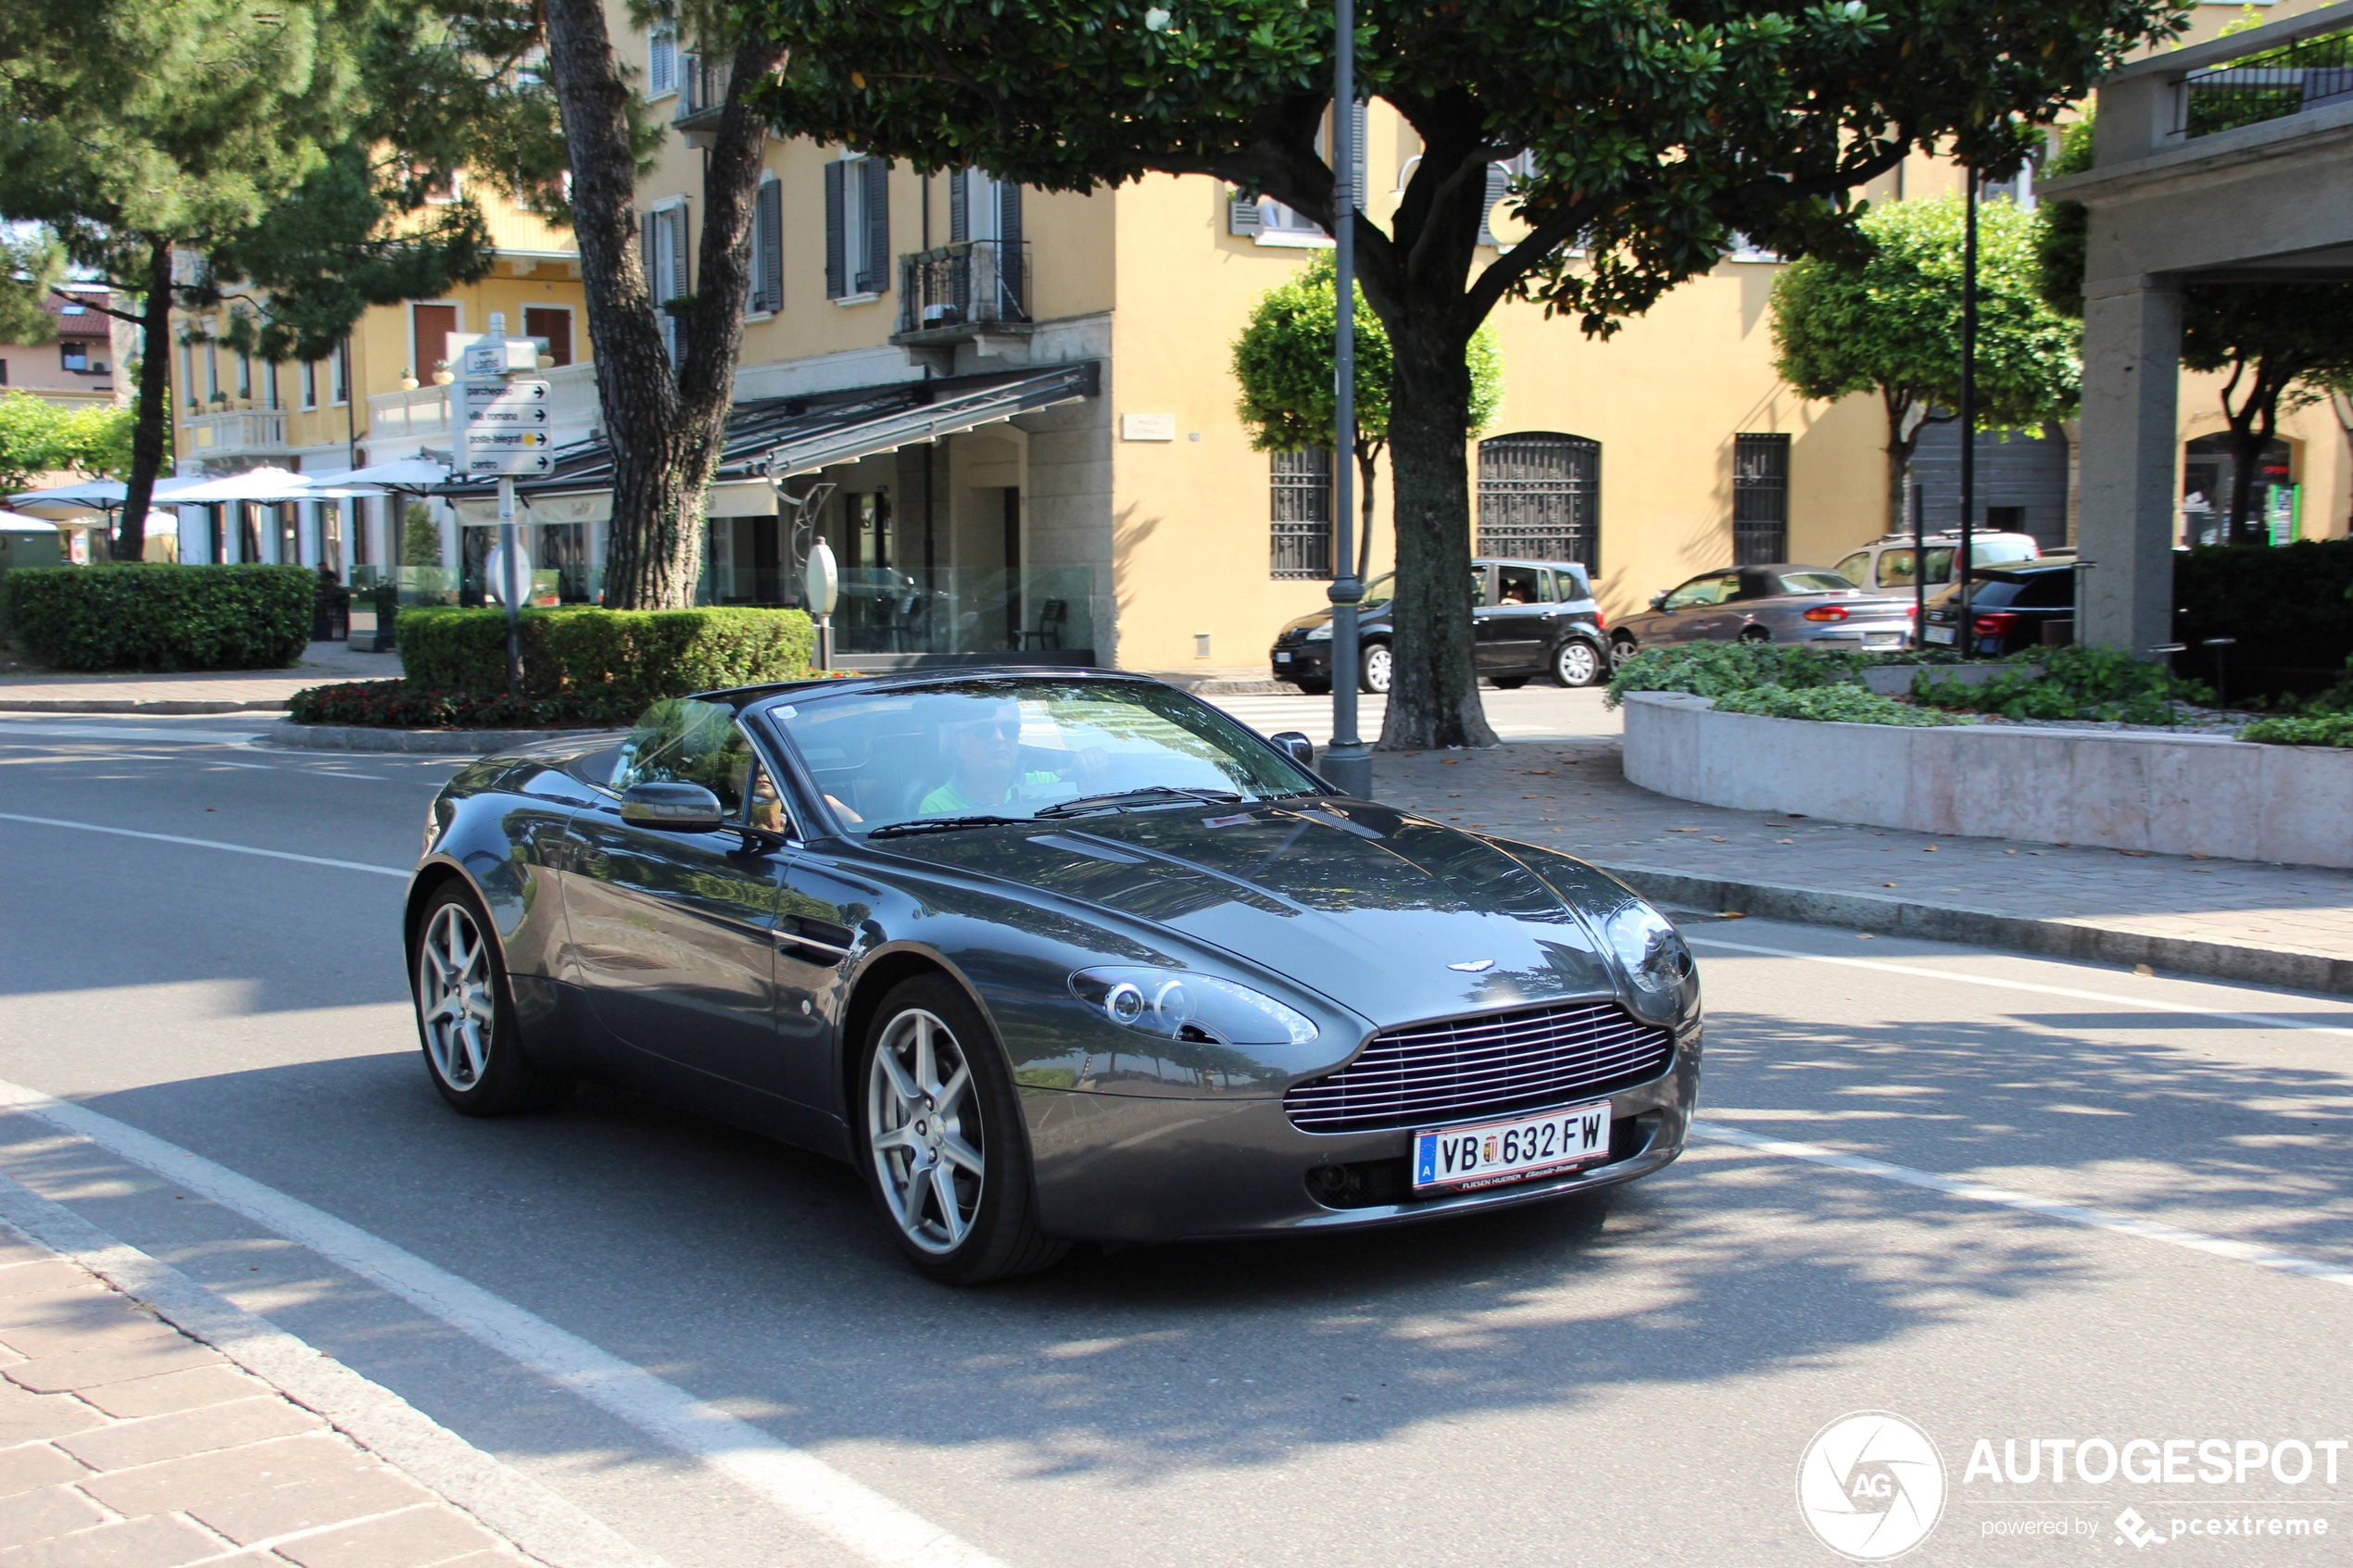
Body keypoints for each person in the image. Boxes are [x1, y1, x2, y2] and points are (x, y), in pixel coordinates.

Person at [918, 700, 1102, 816]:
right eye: (983, 730)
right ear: (960, 744)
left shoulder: (1048, 783)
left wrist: (1090, 769)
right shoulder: (936, 806)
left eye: (1010, 729)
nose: (999, 737)